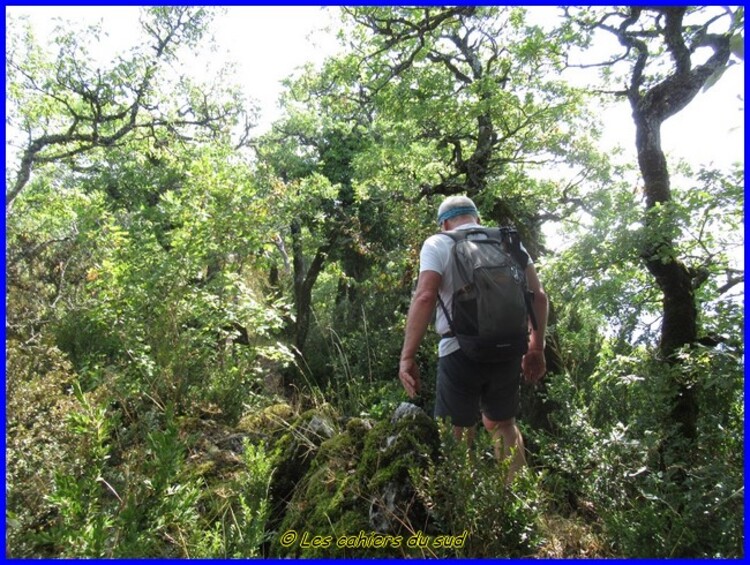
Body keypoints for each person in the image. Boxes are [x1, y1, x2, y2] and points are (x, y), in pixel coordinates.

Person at [398, 195, 548, 479]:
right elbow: (538, 297)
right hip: (508, 348)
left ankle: (461, 508)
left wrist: (407, 356)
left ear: (444, 223)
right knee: (503, 424)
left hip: (459, 350)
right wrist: (536, 348)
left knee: (456, 431)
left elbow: (426, 295)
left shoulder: (438, 243)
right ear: (477, 218)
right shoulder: (509, 242)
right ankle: (518, 503)